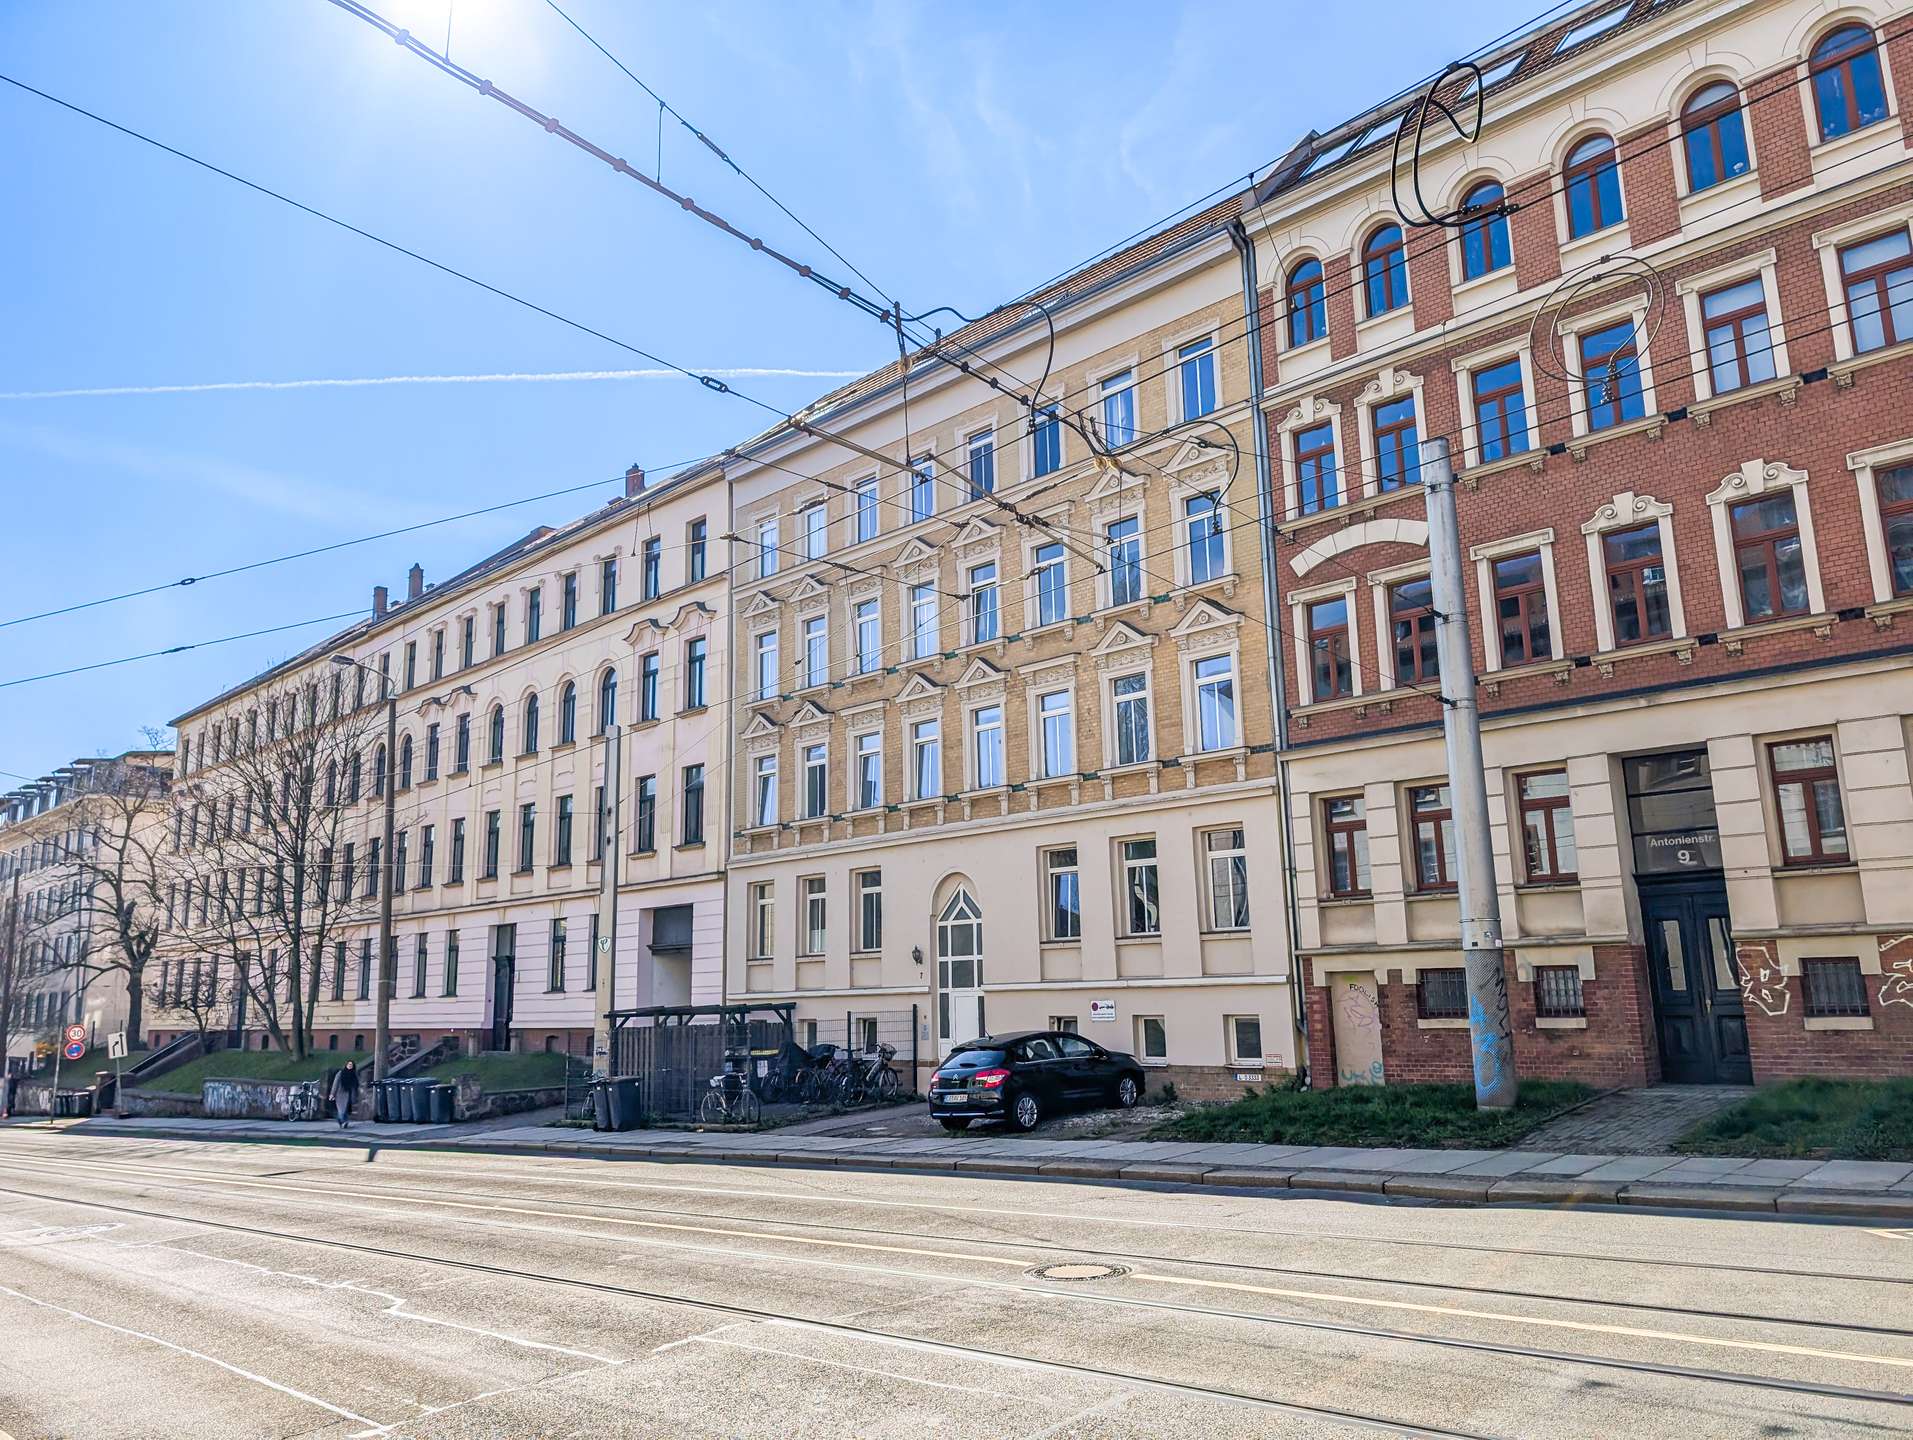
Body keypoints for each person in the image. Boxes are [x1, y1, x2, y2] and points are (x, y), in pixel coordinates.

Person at [329, 1060, 358, 1129]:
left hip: (349, 1094)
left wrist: (355, 1095)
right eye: (349, 1064)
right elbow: (335, 1084)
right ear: (346, 1065)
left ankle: (344, 1121)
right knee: (341, 1110)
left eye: (351, 1065)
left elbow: (355, 1086)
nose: (350, 1066)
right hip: (340, 1094)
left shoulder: (354, 1074)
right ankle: (342, 1121)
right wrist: (332, 1094)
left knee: (346, 1109)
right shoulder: (340, 1073)